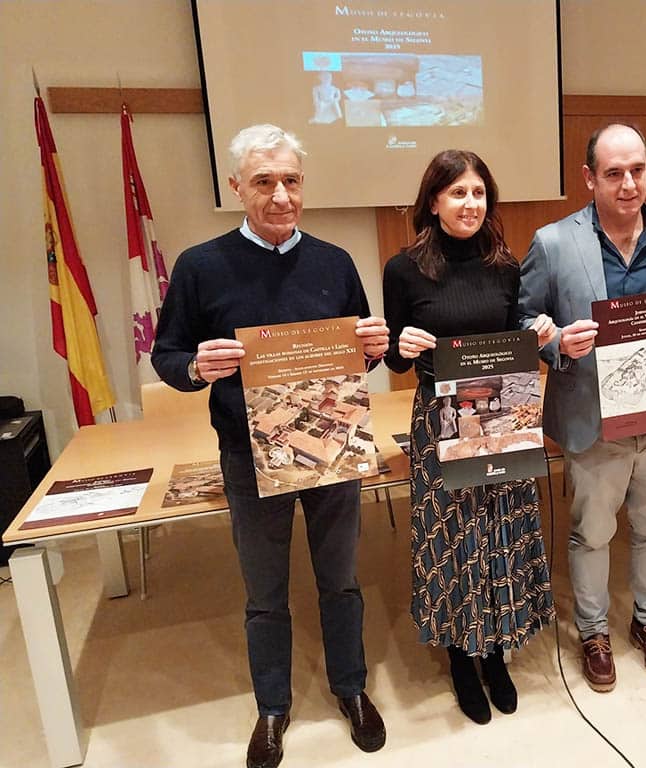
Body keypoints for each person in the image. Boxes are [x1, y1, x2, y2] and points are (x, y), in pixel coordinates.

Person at [152, 124, 388, 768]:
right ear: (236, 188)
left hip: (333, 447)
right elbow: (166, 357)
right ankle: (273, 707)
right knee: (265, 591)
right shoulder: (201, 266)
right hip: (249, 454)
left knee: (340, 580)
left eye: (292, 180)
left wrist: (374, 351)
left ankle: (352, 689)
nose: (281, 195)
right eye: (264, 182)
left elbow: (358, 358)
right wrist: (197, 366)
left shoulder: (335, 262)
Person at [518, 123, 646, 692]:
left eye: (636, 170)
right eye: (613, 173)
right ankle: (593, 632)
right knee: (593, 533)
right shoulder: (553, 242)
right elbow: (522, 319)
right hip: (593, 416)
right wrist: (555, 340)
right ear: (590, 179)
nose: (627, 184)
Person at [382, 149, 557, 725]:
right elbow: (392, 355)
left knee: (504, 530)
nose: (470, 203)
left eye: (479, 192)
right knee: (455, 539)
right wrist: (399, 346)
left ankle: (498, 651)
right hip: (438, 421)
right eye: (457, 192)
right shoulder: (403, 269)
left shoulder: (507, 266)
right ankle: (461, 655)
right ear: (433, 201)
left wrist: (539, 333)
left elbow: (516, 341)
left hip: (504, 415)